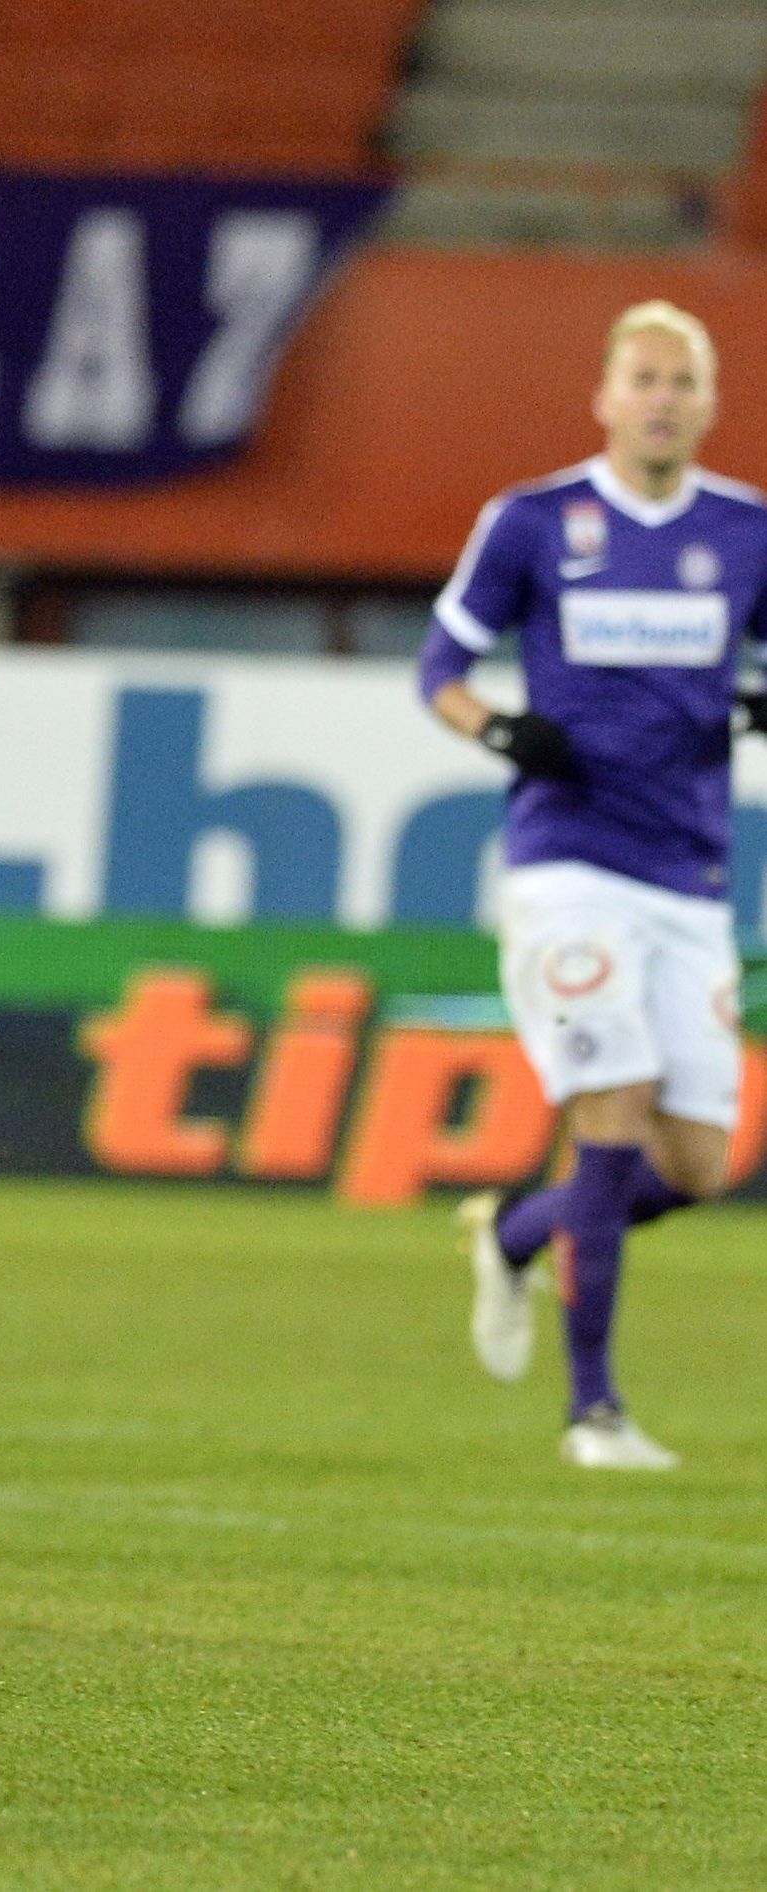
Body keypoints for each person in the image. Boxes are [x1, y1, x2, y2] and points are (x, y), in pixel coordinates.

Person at [426, 299, 767, 1470]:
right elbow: (440, 668)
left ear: (708, 402)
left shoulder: (743, 531)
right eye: (643, 377)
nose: (662, 398)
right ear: (605, 396)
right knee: (609, 1105)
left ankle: (516, 1234)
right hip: (566, 866)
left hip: (687, 872)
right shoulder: (530, 522)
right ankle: (595, 1409)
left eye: (682, 380)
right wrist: (501, 732)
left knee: (697, 1165)